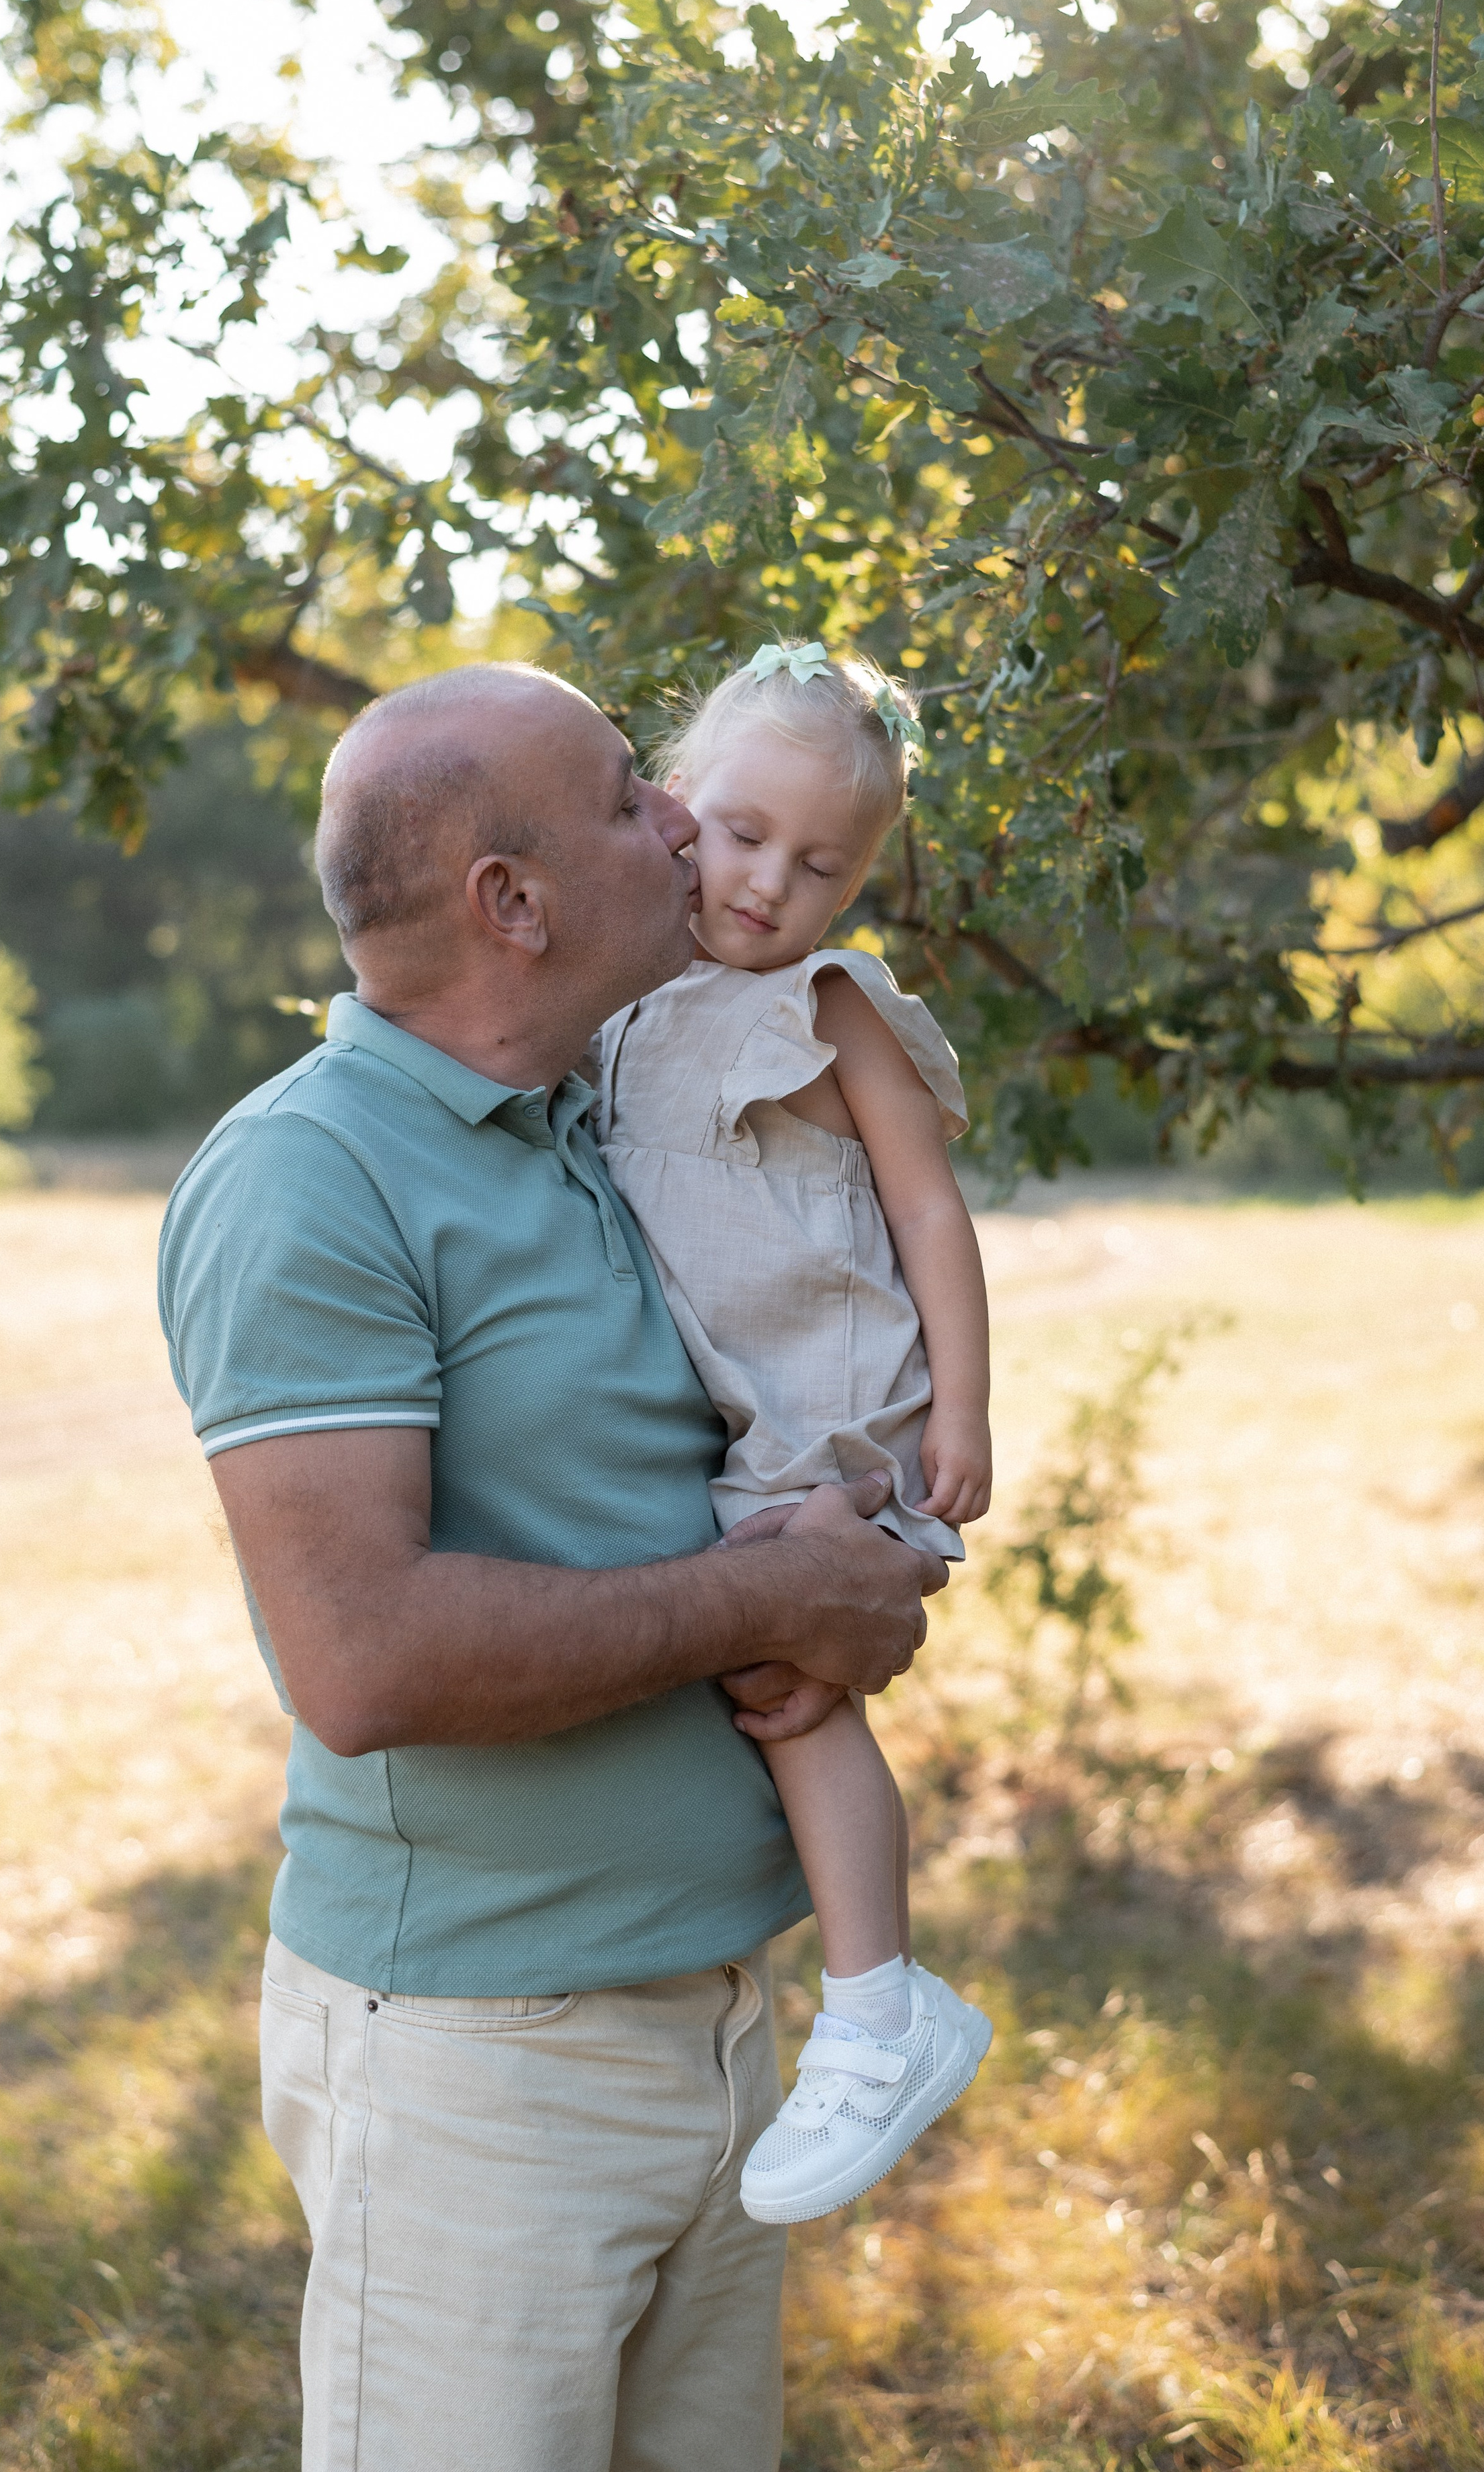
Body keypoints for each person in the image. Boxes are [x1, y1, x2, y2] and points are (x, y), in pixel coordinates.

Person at [155, 661, 945, 2472]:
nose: (676, 819)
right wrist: (772, 1600)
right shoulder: (307, 1177)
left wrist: (862, 1538)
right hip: (478, 2061)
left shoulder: (610, 1113)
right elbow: (362, 1659)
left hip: (721, 2018)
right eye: (620, 797)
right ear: (510, 901)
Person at [594, 641, 995, 2226]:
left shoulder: (830, 1007)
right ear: (673, 800)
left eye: (821, 864)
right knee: (735, 1670)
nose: (769, 882)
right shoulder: (628, 998)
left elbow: (928, 1209)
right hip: (727, 1402)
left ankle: (880, 2012)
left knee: (791, 1696)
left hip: (829, 1410)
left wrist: (961, 1405)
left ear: (859, 882)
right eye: (744, 832)